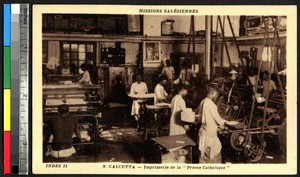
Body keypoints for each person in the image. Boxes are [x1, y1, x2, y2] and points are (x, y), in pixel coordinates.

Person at [197, 83, 236, 163]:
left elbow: (199, 115)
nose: (217, 97)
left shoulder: (203, 101)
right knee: (215, 160)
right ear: (212, 93)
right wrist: (231, 123)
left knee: (204, 160)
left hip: (203, 134)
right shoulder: (211, 104)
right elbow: (219, 120)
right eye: (216, 94)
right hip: (210, 136)